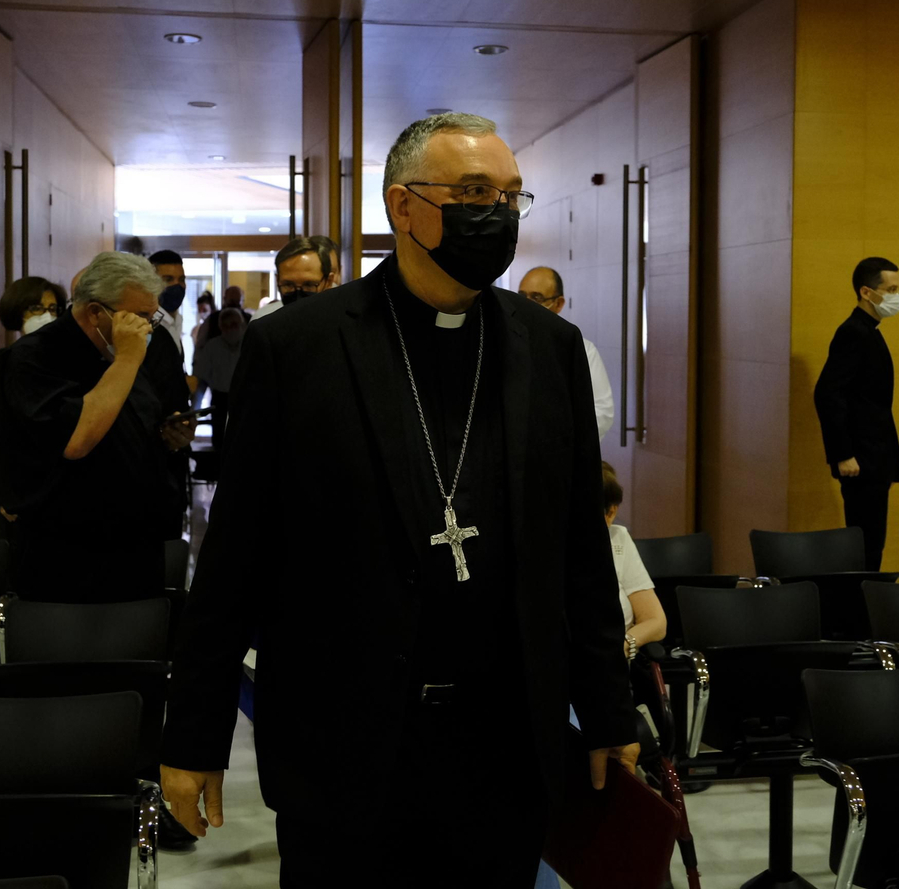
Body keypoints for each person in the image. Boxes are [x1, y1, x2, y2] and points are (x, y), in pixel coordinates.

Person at [159, 112, 638, 888]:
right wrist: (194, 735)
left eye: (513, 196)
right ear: (403, 206)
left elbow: (580, 552)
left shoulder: (550, 349)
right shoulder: (298, 348)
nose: (499, 214)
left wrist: (608, 712)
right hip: (344, 741)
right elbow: (236, 556)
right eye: (475, 191)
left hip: (505, 744)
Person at [0, 251, 195, 602]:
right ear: (95, 312)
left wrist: (167, 438)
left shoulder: (131, 347)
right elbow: (76, 440)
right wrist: (128, 359)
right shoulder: (36, 356)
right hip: (66, 552)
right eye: (138, 316)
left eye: (151, 316)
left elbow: (139, 420)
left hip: (136, 541)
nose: (146, 327)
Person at [813, 256, 899, 570]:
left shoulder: (870, 330)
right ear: (867, 292)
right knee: (865, 546)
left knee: (872, 543)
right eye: (891, 289)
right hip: (861, 461)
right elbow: (828, 394)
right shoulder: (854, 332)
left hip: (874, 458)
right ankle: (860, 609)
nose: (898, 295)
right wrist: (843, 453)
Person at [0, 276, 67, 541]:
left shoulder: (69, 363)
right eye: (36, 308)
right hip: (5, 494)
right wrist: (4, 493)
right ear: (17, 311)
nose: (46, 315)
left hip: (59, 493)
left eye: (53, 309)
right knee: (10, 573)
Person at [519, 266, 615, 441]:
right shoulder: (502, 343)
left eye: (536, 298)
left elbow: (602, 412)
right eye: (521, 296)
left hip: (559, 452)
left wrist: (554, 431)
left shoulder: (581, 350)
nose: (526, 304)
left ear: (558, 304)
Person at [601, 462, 666, 657]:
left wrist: (625, 644)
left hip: (615, 665)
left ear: (611, 513)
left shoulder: (617, 539)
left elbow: (656, 622)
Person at [189, 309, 246, 450]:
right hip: (220, 400)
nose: (230, 329)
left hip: (244, 399)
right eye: (226, 326)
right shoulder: (212, 347)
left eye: (234, 324)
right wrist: (193, 412)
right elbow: (201, 380)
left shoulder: (249, 345)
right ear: (220, 327)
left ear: (242, 325)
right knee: (220, 444)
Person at [250, 237, 328, 322]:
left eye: (308, 285)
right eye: (288, 285)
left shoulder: (340, 323)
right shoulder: (263, 322)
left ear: (328, 282)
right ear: (277, 281)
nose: (298, 297)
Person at [149, 250, 190, 359]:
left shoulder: (177, 320)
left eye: (181, 280)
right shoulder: (147, 324)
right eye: (168, 279)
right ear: (151, 282)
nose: (177, 285)